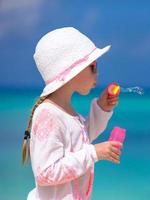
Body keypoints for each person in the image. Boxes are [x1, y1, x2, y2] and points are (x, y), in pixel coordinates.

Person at [22, 27, 123, 200]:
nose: (97, 73)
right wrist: (93, 153)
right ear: (73, 70)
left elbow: (82, 139)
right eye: (93, 66)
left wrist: (101, 108)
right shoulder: (48, 115)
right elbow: (46, 173)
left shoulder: (65, 112)